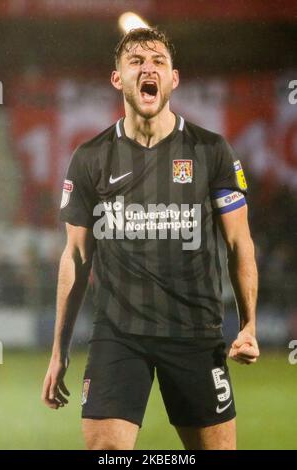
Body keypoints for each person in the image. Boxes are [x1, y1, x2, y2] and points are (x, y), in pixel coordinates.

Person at [42, 27, 259, 450]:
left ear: (174, 79)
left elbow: (239, 244)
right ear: (117, 78)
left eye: (159, 61)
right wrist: (58, 350)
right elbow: (75, 256)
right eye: (136, 62)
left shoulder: (211, 151)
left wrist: (248, 324)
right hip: (118, 334)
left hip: (195, 332)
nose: (148, 68)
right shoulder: (90, 158)